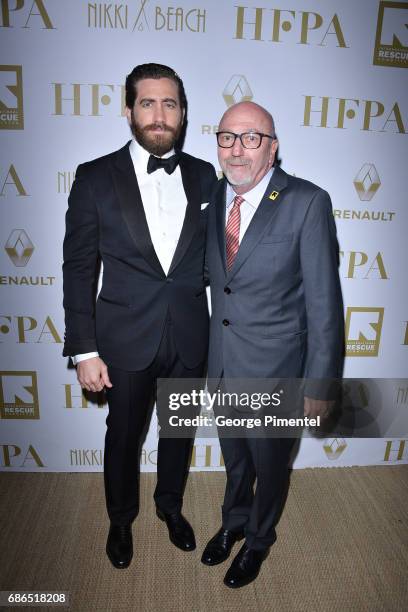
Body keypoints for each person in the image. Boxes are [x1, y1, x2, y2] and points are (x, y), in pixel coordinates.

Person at [62, 63, 217, 569]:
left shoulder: (203, 175)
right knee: (123, 436)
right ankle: (121, 518)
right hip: (123, 338)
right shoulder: (93, 177)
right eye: (147, 103)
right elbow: (79, 269)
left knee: (178, 432)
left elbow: (219, 258)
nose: (159, 115)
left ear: (184, 113)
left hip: (190, 335)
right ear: (128, 110)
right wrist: (84, 349)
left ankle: (169, 506)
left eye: (170, 104)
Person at [202, 101, 344, 588]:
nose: (236, 149)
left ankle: (259, 540)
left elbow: (325, 304)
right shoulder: (213, 196)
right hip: (222, 366)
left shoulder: (307, 201)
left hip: (277, 372)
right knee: (235, 460)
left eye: (250, 138)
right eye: (227, 137)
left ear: (272, 147)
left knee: (270, 465)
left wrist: (321, 385)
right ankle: (233, 522)